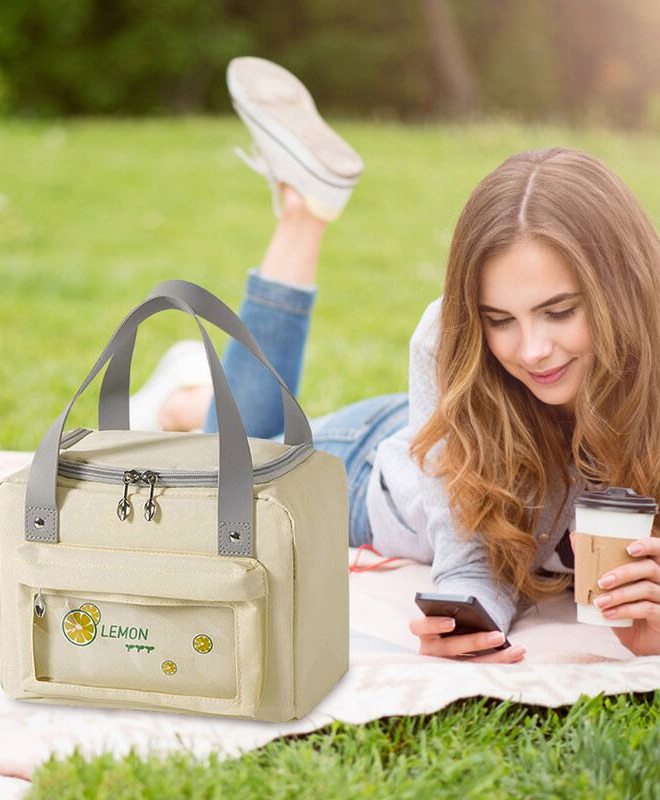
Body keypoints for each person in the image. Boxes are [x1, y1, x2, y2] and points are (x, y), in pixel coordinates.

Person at [134, 56, 660, 661]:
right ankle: (302, 217)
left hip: (425, 427)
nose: (533, 350)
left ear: (620, 289)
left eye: (560, 311)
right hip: (376, 469)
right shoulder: (449, 339)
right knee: (219, 482)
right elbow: (469, 562)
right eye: (500, 321)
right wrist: (468, 623)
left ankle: (189, 391)